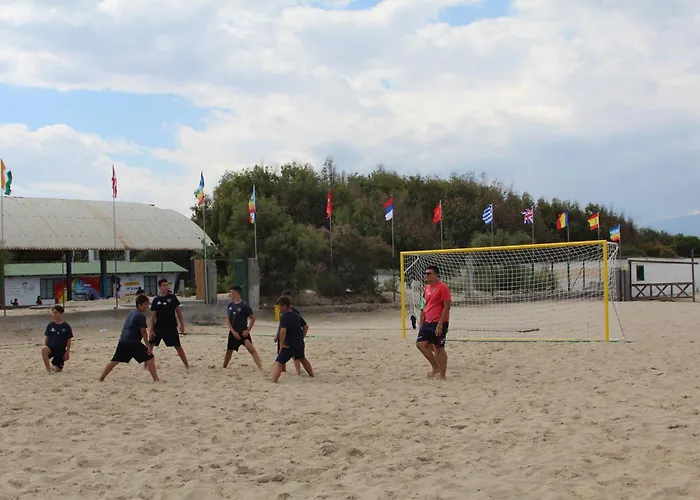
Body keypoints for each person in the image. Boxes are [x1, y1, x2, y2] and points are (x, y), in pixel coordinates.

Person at [99, 294, 160, 382]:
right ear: (139, 304)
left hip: (123, 340)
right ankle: (156, 379)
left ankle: (101, 378)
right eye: (146, 304)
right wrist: (148, 346)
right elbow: (143, 332)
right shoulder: (140, 316)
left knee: (115, 360)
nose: (147, 306)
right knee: (150, 357)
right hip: (133, 342)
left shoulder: (131, 313)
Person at [416, 265, 451, 380]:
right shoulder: (426, 288)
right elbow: (423, 306)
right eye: (425, 273)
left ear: (435, 275)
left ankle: (442, 375)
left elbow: (447, 306)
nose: (426, 275)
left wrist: (440, 324)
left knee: (439, 347)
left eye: (429, 273)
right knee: (420, 344)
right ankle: (436, 368)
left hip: (439, 322)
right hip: (427, 321)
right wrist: (421, 322)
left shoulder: (443, 287)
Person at [148, 279, 190, 369]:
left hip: (171, 327)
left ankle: (187, 364)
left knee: (178, 346)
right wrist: (151, 330)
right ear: (160, 287)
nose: (166, 287)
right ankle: (146, 365)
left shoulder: (172, 298)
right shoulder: (156, 300)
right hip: (159, 327)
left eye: (167, 285)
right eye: (164, 285)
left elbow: (178, 312)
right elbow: (153, 316)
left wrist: (182, 325)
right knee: (150, 346)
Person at [271, 295, 313, 383]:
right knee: (303, 359)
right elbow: (306, 327)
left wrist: (281, 344)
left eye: (279, 306)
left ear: (284, 306)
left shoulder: (284, 316)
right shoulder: (296, 316)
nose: (278, 308)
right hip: (299, 343)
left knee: (279, 362)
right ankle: (312, 375)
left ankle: (273, 381)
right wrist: (301, 337)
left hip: (289, 344)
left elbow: (283, 331)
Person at [223, 285, 263, 370]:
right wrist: (233, 331)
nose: (230, 294)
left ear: (236, 292)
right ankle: (224, 367)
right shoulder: (230, 305)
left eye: (231, 292)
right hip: (233, 333)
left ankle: (260, 368)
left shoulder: (244, 305)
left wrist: (247, 331)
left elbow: (253, 318)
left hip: (243, 333)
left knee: (252, 350)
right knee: (229, 351)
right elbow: (227, 319)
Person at [273, 290, 306, 375]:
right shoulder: (281, 310)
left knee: (296, 356)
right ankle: (283, 370)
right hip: (283, 335)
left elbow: (301, 324)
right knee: (281, 353)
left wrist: (301, 336)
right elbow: (281, 325)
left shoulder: (294, 310)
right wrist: (277, 336)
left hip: (292, 335)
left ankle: (298, 372)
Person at [41, 305, 73, 373]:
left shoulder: (66, 326)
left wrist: (67, 352)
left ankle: (54, 365)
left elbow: (69, 341)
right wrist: (45, 346)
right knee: (44, 349)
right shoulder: (50, 325)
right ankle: (48, 370)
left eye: (56, 313)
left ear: (61, 314)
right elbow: (47, 337)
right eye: (53, 313)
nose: (54, 315)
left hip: (61, 351)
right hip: (51, 349)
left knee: (57, 371)